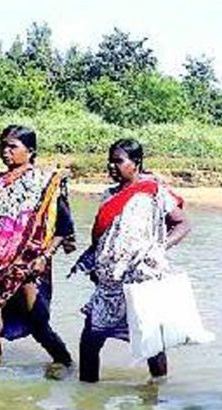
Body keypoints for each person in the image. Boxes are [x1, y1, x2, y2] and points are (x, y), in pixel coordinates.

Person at [73, 138, 190, 383]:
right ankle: (87, 394)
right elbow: (102, 235)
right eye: (110, 161)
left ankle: (157, 387)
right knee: (90, 339)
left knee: (151, 342)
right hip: (109, 283)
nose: (112, 166)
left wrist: (158, 249)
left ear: (135, 163)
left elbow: (182, 224)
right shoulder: (108, 195)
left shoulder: (153, 192)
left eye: (118, 161)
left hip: (140, 281)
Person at [0, 125, 76, 376]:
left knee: (38, 324)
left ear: (30, 151)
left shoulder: (45, 185)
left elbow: (64, 228)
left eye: (12, 147)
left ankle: (66, 363)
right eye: (3, 146)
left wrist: (44, 256)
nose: (5, 151)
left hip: (27, 267)